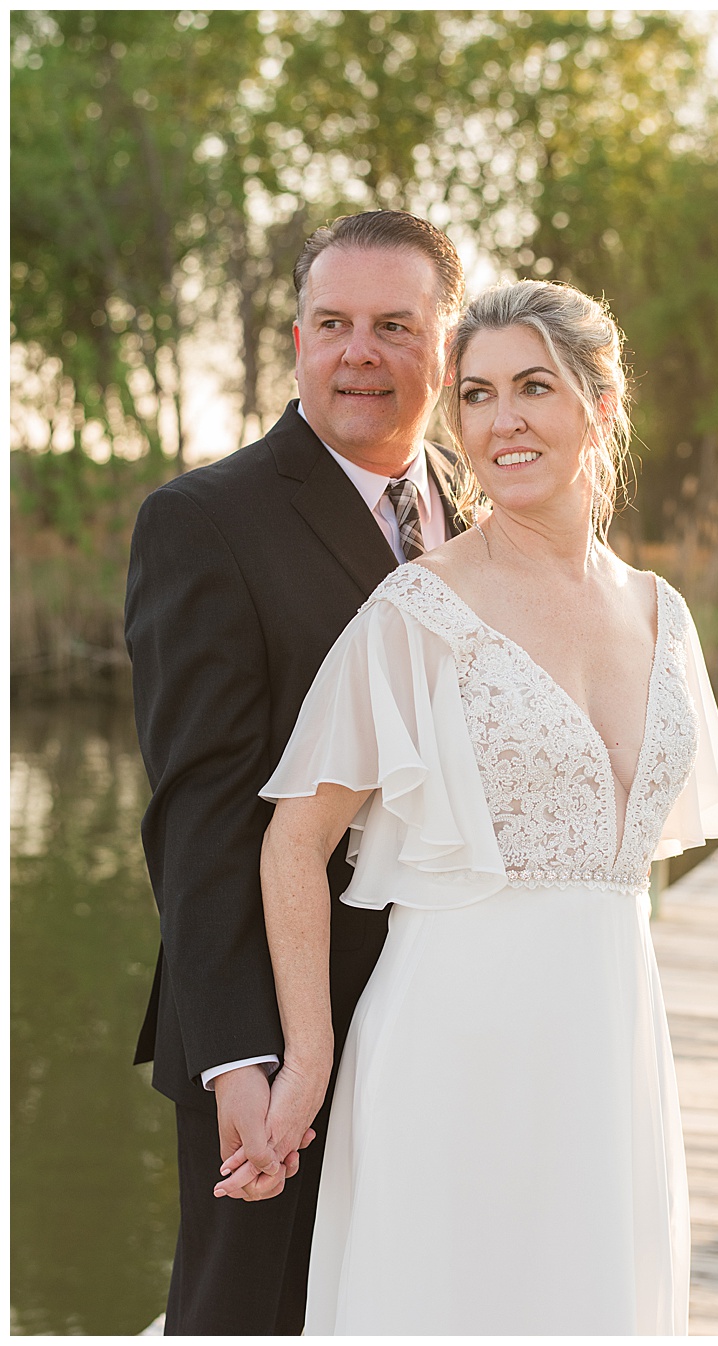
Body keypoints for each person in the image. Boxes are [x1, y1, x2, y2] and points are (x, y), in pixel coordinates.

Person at [225, 278, 718, 1334]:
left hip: (608, 1041)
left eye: (535, 388)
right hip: (450, 1039)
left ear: (600, 402)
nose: (502, 420)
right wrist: (304, 1063)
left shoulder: (662, 615)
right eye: (476, 393)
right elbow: (295, 840)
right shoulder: (418, 611)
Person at [125, 209, 468, 1334]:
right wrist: (241, 1056)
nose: (358, 351)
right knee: (249, 1313)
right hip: (270, 1025)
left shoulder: (480, 516)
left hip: (439, 1009)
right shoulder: (204, 521)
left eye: (391, 325)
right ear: (295, 341)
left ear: (447, 346)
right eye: (332, 323)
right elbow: (199, 812)